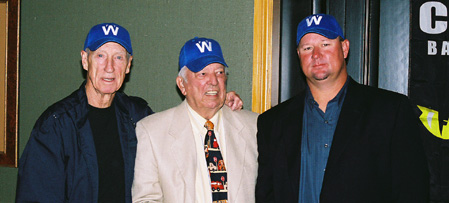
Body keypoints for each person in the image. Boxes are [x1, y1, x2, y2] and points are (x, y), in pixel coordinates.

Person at [16, 24, 242, 203]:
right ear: (85, 60)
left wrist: (217, 101)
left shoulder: (138, 116)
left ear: (128, 65)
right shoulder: (55, 125)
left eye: (118, 57)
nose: (109, 67)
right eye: (101, 56)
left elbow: (181, 134)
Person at [255, 14, 429, 202]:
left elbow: (413, 191)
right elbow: (266, 194)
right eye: (307, 48)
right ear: (299, 56)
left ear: (344, 48)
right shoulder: (272, 123)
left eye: (325, 44)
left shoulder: (390, 111)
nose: (316, 55)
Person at [132, 37, 258, 203]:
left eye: (219, 72)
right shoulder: (153, 132)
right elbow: (146, 199)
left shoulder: (255, 126)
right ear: (182, 85)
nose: (213, 81)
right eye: (202, 74)